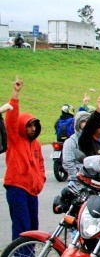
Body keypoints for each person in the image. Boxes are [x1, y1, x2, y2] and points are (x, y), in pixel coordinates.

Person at [4, 77, 45, 243]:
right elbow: (11, 119)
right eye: (28, 125)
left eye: (34, 125)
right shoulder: (14, 138)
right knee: (22, 225)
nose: (32, 128)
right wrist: (15, 94)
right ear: (22, 126)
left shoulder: (36, 144)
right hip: (17, 188)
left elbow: (41, 165)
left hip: (32, 191)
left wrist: (40, 181)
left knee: (33, 226)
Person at [62, 111, 92, 182]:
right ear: (78, 124)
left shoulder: (94, 139)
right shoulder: (71, 141)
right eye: (83, 121)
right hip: (78, 180)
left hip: (94, 180)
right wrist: (77, 177)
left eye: (88, 121)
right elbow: (68, 162)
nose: (86, 123)